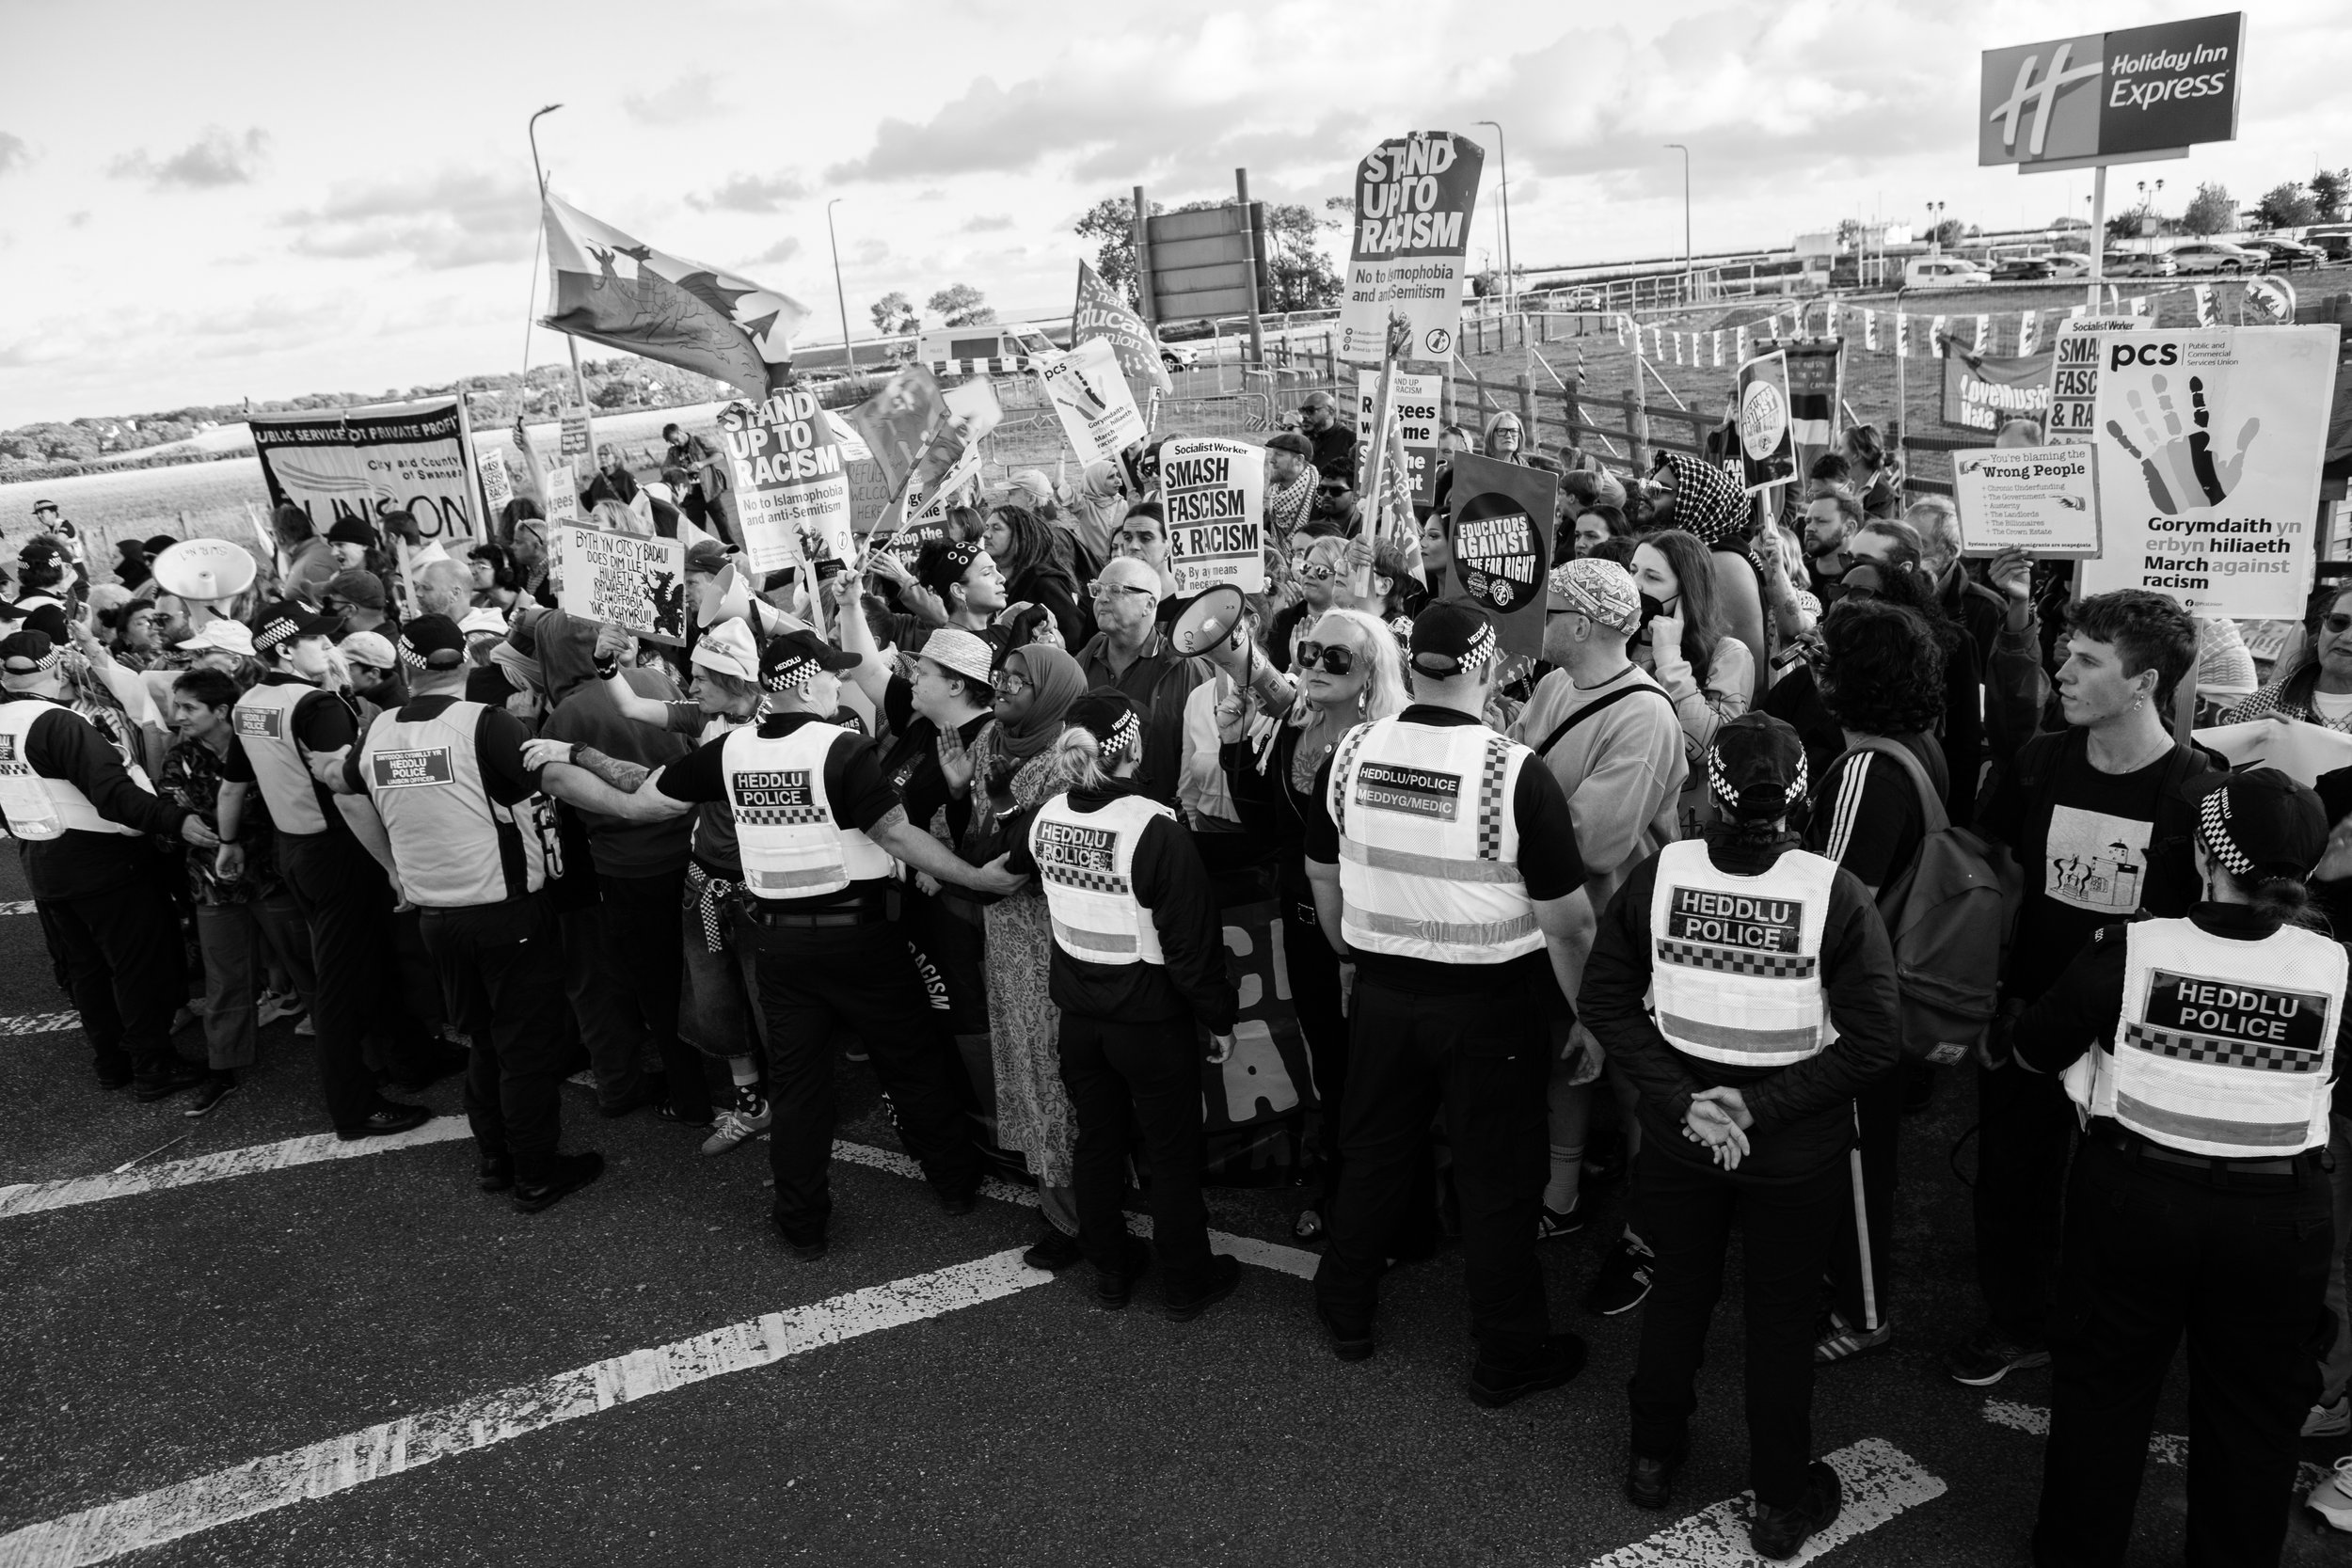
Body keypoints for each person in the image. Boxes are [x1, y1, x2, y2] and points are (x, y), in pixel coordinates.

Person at [526, 629, 1023, 1260]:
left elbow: (643, 803)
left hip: (782, 947)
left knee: (799, 1087)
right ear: (803, 681)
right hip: (861, 938)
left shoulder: (729, 751)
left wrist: (565, 774)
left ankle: (802, 1222)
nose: (836, 683)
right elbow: (896, 837)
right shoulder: (843, 747)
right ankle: (954, 1185)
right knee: (912, 1064)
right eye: (828, 674)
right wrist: (978, 877)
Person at [1579, 714, 1902, 1558]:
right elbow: (1873, 1043)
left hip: (1685, 1132)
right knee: (1783, 1319)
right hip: (1793, 1143)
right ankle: (1781, 1505)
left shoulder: (1661, 874)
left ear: (1707, 792)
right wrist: (1754, 1109)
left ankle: (1652, 1459)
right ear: (1804, 798)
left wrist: (1688, 1102)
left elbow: (1605, 1000)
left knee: (1679, 1291)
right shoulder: (1837, 891)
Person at [2010, 768, 2344, 1568]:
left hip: (2134, 1199)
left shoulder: (2131, 949)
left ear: (2204, 853)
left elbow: (2031, 1050)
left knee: (2104, 1393)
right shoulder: (2335, 969)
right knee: (2254, 1417)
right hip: (2279, 1219)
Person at [1304, 601, 1595, 1404]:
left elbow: (1323, 873)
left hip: (1384, 994)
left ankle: (1345, 1307)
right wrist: (1594, 1018)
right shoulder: (1514, 770)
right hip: (1489, 1005)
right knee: (1497, 1180)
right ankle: (1507, 1352)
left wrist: (1349, 952)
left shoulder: (1354, 749)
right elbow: (1569, 926)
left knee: (1371, 1152)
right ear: (1488, 668)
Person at [1947, 590, 2212, 1387]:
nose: (2063, 670)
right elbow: (1988, 872)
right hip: (2027, 1019)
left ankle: (2108, 1330)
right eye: (2067, 650)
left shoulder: (2198, 790)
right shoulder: (2038, 761)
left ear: (2144, 682)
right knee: (2012, 1180)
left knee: (2119, 1197)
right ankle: (2017, 1320)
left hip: (2132, 1037)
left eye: (2088, 660)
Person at [311, 617, 601, 1212]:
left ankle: (496, 1159)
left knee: (484, 1043)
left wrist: (391, 866)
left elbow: (341, 785)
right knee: (525, 1050)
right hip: (508, 915)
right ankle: (538, 1174)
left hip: (437, 919)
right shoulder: (488, 725)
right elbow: (559, 787)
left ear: (407, 668)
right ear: (466, 663)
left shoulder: (379, 731)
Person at [1003, 689, 1243, 1317]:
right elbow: (1191, 948)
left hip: (1080, 1019)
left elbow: (1012, 858)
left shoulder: (1047, 814)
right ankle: (1186, 1280)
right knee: (1170, 1152)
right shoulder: (1154, 827)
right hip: (1150, 1022)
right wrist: (1218, 1017)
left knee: (1098, 1141)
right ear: (1133, 747)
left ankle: (1111, 1266)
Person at [1216, 606, 1407, 1243]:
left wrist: (1354, 949)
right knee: (1330, 1062)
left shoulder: (1387, 744)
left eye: (1336, 657)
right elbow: (1266, 830)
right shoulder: (1295, 729)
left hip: (1365, 940)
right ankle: (1342, 1186)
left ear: (1372, 672)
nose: (1315, 665)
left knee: (1371, 1074)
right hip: (1302, 929)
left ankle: (1374, 1205)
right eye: (1309, 651)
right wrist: (1234, 744)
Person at [217, 601, 440, 1138]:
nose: (329, 647)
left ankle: (410, 1061)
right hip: (339, 851)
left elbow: (232, 785)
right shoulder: (317, 705)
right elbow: (348, 796)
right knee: (341, 984)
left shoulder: (249, 703)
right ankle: (354, 1106)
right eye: (316, 640)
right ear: (283, 649)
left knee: (371, 960)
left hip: (293, 849)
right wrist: (393, 866)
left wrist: (227, 842)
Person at [1511, 560, 1686, 1243]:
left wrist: (1502, 823)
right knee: (1569, 1056)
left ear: (1581, 624)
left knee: (1633, 1077)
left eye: (1550, 611)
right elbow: (1517, 760)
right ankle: (1561, 1196)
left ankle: (1654, 1223)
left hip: (1619, 926)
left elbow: (1594, 841)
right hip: (1559, 917)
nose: (1539, 622)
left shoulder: (1644, 715)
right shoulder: (1555, 684)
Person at [1799, 599, 1949, 1365]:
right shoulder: (1915, 744)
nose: (1812, 667)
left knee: (1856, 1157)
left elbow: (1835, 895)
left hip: (1855, 1003)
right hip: (1885, 994)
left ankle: (1862, 1311)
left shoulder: (1866, 767)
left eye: (1823, 657)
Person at [0, 630, 217, 1101]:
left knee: (88, 973)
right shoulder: (58, 724)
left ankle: (112, 1063)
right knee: (137, 967)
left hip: (43, 864)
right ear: (57, 669)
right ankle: (153, 1065)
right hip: (103, 863)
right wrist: (175, 819)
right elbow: (114, 794)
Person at [949, 639, 1089, 1267]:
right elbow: (980, 837)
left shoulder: (1070, 758)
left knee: (1056, 1076)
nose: (1001, 688)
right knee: (1030, 1075)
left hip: (1055, 937)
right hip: (1004, 935)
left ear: (1052, 693)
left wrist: (989, 832)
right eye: (1000, 677)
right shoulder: (989, 744)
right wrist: (961, 794)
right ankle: (1060, 1202)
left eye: (1018, 681)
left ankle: (1077, 1218)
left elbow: (1015, 856)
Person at [159, 667, 315, 1117]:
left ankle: (350, 1053)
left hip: (273, 875)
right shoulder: (179, 755)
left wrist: (212, 820)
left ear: (222, 710)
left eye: (188, 707)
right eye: (177, 705)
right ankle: (222, 1069)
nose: (177, 715)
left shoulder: (261, 744)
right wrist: (188, 822)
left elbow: (279, 803)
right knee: (225, 981)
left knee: (310, 965)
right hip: (212, 884)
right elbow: (176, 813)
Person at [1630, 529, 1755, 841]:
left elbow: (1711, 746)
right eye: (1632, 571)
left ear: (1688, 592)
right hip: (1624, 819)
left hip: (1682, 833)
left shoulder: (1729, 655)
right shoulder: (1618, 643)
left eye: (1652, 578)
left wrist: (1669, 658)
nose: (1635, 585)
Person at [1075, 556, 1205, 808]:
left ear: (1149, 604)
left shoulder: (1186, 668)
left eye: (1116, 590)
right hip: (1090, 812)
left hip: (1156, 816)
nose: (1102, 598)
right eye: (1097, 589)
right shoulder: (1085, 658)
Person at [2223, 582, 2352, 733]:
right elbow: (2220, 754)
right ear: (2320, 629)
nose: (2347, 637)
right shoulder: (2262, 703)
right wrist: (2247, 741)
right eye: (2339, 622)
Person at [982, 503, 1085, 647]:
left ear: (1020, 536)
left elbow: (1075, 637)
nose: (986, 534)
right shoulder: (1003, 582)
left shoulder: (1043, 583)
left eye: (996, 528)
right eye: (986, 527)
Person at [1299, 391, 1358, 520]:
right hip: (1308, 515)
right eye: (1302, 411)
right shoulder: (1305, 440)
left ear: (1330, 412)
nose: (1304, 416)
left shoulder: (1350, 440)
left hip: (1336, 520)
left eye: (1310, 410)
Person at [1801, 485, 1864, 603]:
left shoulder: (1863, 584)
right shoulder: (1798, 576)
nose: (1809, 528)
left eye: (1821, 521)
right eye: (1808, 521)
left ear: (1849, 528)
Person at [1263, 431, 1318, 541]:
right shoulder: (1274, 496)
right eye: (1273, 453)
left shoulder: (1319, 499)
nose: (1272, 460)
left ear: (1299, 460)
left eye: (1279, 454)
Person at [583, 444, 639, 513]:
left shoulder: (626, 477)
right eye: (600, 454)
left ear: (615, 457)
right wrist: (581, 489)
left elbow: (637, 504)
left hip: (621, 520)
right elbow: (590, 506)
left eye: (606, 454)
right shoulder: (598, 479)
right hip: (603, 521)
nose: (602, 457)